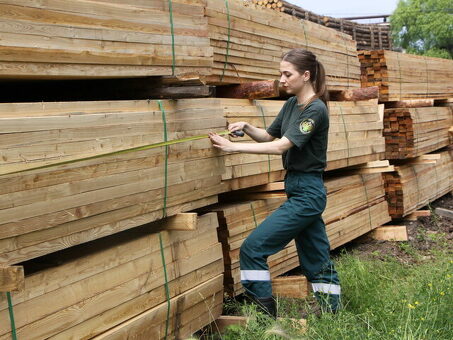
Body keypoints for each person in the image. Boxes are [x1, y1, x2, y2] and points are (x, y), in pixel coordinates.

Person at [209, 48, 341, 318]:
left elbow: (281, 147)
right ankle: (333, 315)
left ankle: (265, 318)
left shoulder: (315, 109)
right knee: (316, 258)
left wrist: (234, 148)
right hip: (298, 189)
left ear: (306, 75)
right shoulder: (292, 104)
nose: (281, 79)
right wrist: (246, 126)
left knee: (253, 248)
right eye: (280, 73)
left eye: (287, 74)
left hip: (308, 193)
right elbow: (269, 136)